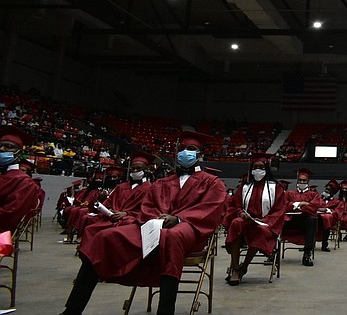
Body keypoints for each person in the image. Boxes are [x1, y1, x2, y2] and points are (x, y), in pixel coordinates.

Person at [61, 131, 227, 315]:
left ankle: (165, 311)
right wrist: (157, 219)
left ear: (200, 155)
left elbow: (209, 210)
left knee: (171, 237)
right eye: (182, 149)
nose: (185, 152)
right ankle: (72, 310)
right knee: (104, 236)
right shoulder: (163, 182)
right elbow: (147, 207)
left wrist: (178, 218)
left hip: (189, 228)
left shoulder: (213, 183)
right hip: (153, 225)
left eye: (191, 149)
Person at [223, 154, 286, 285]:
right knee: (235, 223)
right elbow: (236, 205)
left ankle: (244, 266)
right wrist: (241, 213)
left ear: (266, 169)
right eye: (255, 167)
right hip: (245, 221)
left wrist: (263, 220)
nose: (258, 170)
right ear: (251, 169)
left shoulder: (275, 188)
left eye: (261, 167)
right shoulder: (245, 187)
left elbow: (279, 210)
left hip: (265, 223)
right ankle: (235, 267)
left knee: (260, 230)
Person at [0, 126, 42, 233]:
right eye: (0, 145)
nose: (1, 149)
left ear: (18, 153)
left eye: (8, 146)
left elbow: (9, 214)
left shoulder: (24, 182)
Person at [283, 168, 324, 267]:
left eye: (304, 180)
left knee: (312, 220)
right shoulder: (289, 193)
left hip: (305, 221)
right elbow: (284, 205)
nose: (302, 182)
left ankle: (306, 254)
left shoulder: (314, 195)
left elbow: (313, 208)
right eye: (300, 180)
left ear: (308, 181)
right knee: (278, 219)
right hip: (290, 221)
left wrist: (294, 206)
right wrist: (301, 204)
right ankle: (272, 253)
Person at [318, 179, 344, 251]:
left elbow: (338, 212)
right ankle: (307, 244)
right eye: (326, 189)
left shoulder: (337, 202)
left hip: (329, 221)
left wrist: (327, 210)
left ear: (333, 192)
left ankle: (324, 244)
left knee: (327, 219)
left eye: (329, 190)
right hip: (317, 218)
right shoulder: (318, 199)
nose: (327, 191)